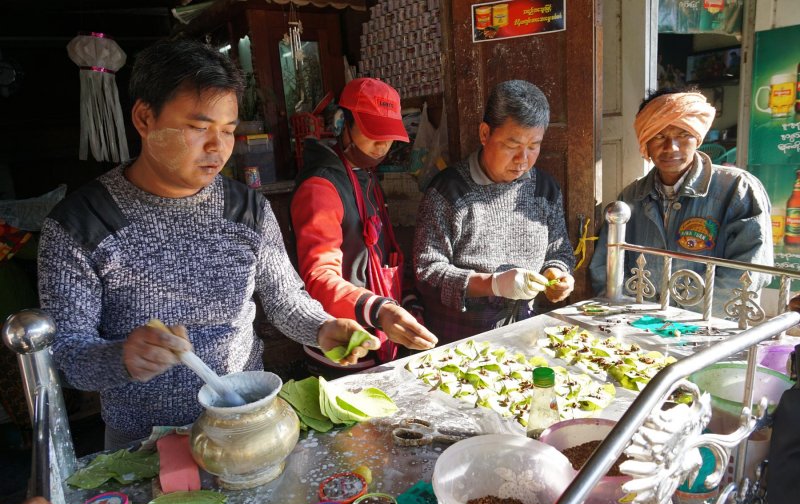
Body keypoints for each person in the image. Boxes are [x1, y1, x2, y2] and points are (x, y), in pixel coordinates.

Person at [37, 39, 378, 451]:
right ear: (145, 118)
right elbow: (68, 354)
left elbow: (286, 299)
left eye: (228, 131)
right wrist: (121, 357)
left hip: (245, 424)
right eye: (199, 129)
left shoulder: (246, 208)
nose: (218, 148)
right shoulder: (81, 224)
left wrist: (322, 327)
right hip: (143, 444)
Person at [290, 78, 438, 374]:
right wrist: (381, 310)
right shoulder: (321, 187)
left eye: (388, 137)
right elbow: (319, 277)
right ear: (342, 123)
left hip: (377, 327)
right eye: (373, 135)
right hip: (342, 342)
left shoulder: (365, 175)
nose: (382, 146)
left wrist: (407, 303)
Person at [413, 80, 576, 345]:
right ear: (485, 133)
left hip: (526, 331)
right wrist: (493, 284)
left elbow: (558, 252)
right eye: (512, 145)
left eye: (533, 146)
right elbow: (427, 273)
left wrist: (556, 275)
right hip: (460, 341)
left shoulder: (545, 188)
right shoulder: (448, 191)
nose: (523, 159)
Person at [589, 88, 772, 313]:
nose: (671, 148)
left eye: (683, 134)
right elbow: (606, 267)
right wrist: (629, 315)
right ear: (644, 141)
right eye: (659, 136)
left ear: (698, 137)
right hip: (638, 326)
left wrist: (682, 322)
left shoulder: (738, 189)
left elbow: (747, 273)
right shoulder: (630, 197)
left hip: (708, 330)